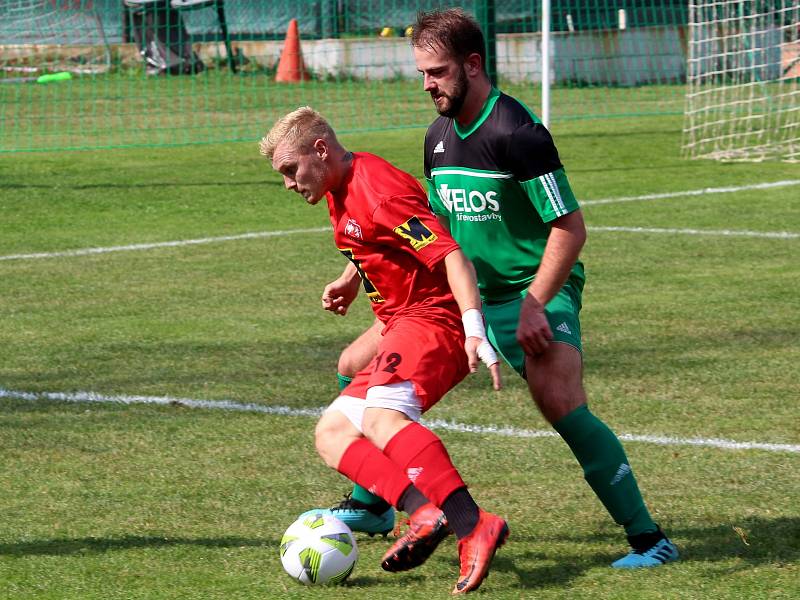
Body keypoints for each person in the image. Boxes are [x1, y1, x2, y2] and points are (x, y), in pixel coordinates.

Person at [335, 8, 680, 570]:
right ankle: (372, 502)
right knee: (357, 363)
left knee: (561, 403)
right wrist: (356, 274)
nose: (428, 85)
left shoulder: (517, 134)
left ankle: (649, 540)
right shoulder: (438, 136)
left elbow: (570, 228)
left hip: (531, 289)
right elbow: (428, 224)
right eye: (422, 72)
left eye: (439, 72)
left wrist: (535, 303)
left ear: (473, 64)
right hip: (458, 298)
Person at [260, 106, 507, 594]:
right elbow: (372, 240)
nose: (289, 183)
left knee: (382, 416)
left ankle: (472, 523)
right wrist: (354, 278)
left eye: (291, 169)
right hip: (399, 319)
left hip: (432, 318)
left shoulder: (380, 192)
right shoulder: (339, 184)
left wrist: (474, 330)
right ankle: (423, 511)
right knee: (331, 432)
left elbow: (450, 255)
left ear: (321, 150)